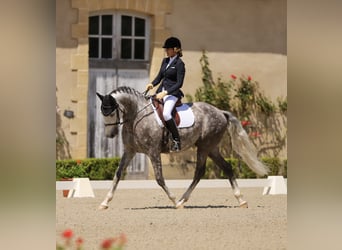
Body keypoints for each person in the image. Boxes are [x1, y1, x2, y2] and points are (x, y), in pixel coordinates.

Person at [145, 37, 185, 152]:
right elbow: (160, 77)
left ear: (176, 49)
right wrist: (152, 84)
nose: (166, 51)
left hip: (172, 93)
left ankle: (176, 140)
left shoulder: (180, 64)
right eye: (166, 49)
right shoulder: (165, 61)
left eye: (168, 49)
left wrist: (166, 92)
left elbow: (179, 83)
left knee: (167, 114)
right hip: (160, 92)